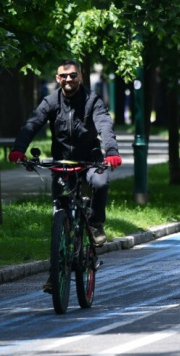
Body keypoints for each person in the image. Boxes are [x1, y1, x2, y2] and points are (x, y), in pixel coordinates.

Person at [9, 59, 122, 247]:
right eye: (64, 75)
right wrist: (19, 149)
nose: (68, 79)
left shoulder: (92, 100)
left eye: (73, 75)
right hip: (62, 163)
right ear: (57, 78)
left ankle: (95, 224)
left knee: (101, 184)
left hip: (90, 161)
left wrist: (111, 152)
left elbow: (104, 124)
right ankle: (58, 269)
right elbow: (32, 124)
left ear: (80, 77)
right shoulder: (51, 101)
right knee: (59, 209)